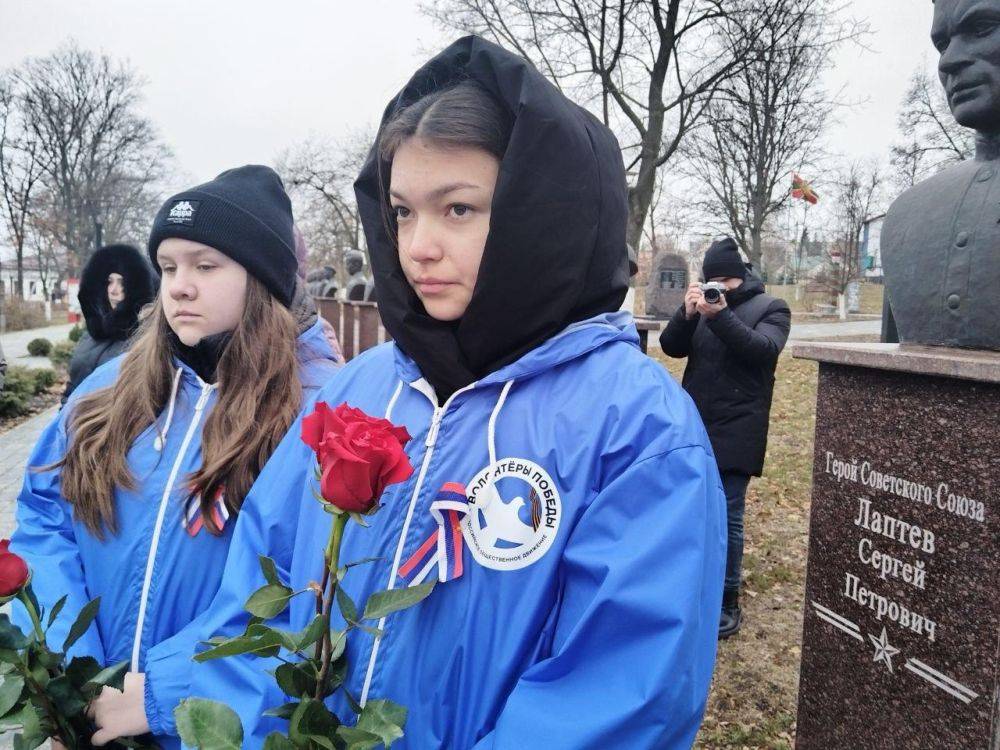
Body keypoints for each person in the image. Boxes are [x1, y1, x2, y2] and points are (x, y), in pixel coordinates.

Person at [189, 36, 726, 748]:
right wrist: (184, 701)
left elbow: (615, 702)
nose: (418, 246)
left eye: (459, 210)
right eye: (404, 212)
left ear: (542, 215)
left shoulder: (638, 428)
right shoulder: (360, 389)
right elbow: (259, 587)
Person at [10, 165, 339, 749]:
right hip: (94, 717)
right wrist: (72, 672)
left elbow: (313, 594)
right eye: (168, 267)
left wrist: (163, 692)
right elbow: (48, 518)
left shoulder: (321, 412)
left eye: (205, 265)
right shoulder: (110, 390)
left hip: (218, 728)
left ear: (263, 277)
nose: (179, 286)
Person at [659, 237, 791, 638]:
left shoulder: (771, 308)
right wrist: (686, 314)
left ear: (740, 278)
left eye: (725, 282)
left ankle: (727, 599)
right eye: (710, 281)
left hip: (740, 425)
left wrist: (719, 314)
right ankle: (692, 586)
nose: (718, 288)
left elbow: (762, 349)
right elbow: (670, 347)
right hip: (696, 421)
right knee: (692, 510)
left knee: (728, 515)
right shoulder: (702, 309)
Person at [63, 243, 158, 404]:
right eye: (109, 281)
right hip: (74, 422)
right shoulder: (93, 334)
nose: (113, 290)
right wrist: (61, 419)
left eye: (122, 282)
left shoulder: (148, 339)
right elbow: (72, 389)